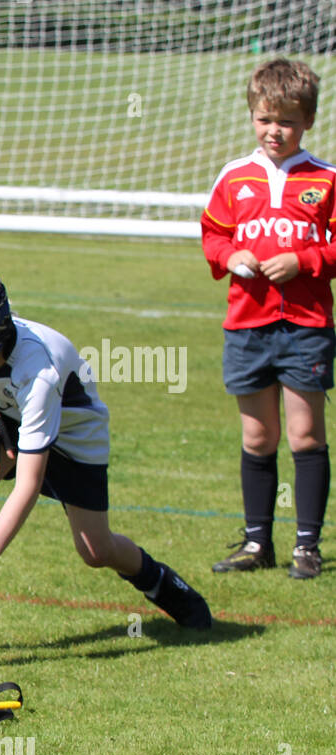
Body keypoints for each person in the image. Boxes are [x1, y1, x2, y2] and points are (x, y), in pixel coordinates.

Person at [0, 263, 212, 660]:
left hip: (76, 439)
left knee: (95, 550)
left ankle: (162, 582)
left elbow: (27, 486)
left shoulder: (37, 371)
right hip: (17, 416)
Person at [201, 58, 332, 580]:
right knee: (258, 438)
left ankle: (307, 545)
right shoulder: (234, 177)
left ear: (308, 122)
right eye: (265, 118)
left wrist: (305, 261)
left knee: (305, 436)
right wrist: (228, 257)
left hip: (306, 327)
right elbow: (213, 234)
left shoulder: (325, 181)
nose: (275, 130)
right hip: (248, 327)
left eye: (287, 121)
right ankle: (257, 543)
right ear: (252, 115)